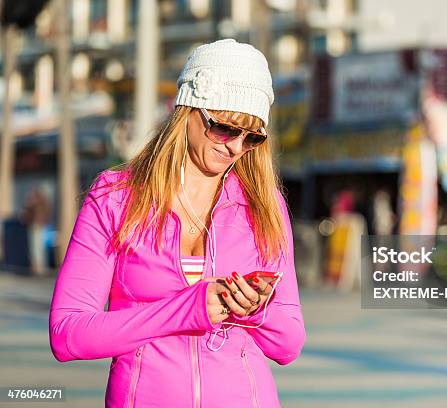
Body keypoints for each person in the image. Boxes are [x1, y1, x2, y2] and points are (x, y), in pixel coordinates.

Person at [49, 38, 306, 408]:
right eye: (225, 128)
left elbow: (289, 345)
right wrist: (188, 307)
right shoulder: (116, 198)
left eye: (251, 137)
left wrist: (256, 310)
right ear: (187, 110)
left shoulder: (263, 205)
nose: (235, 147)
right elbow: (67, 334)